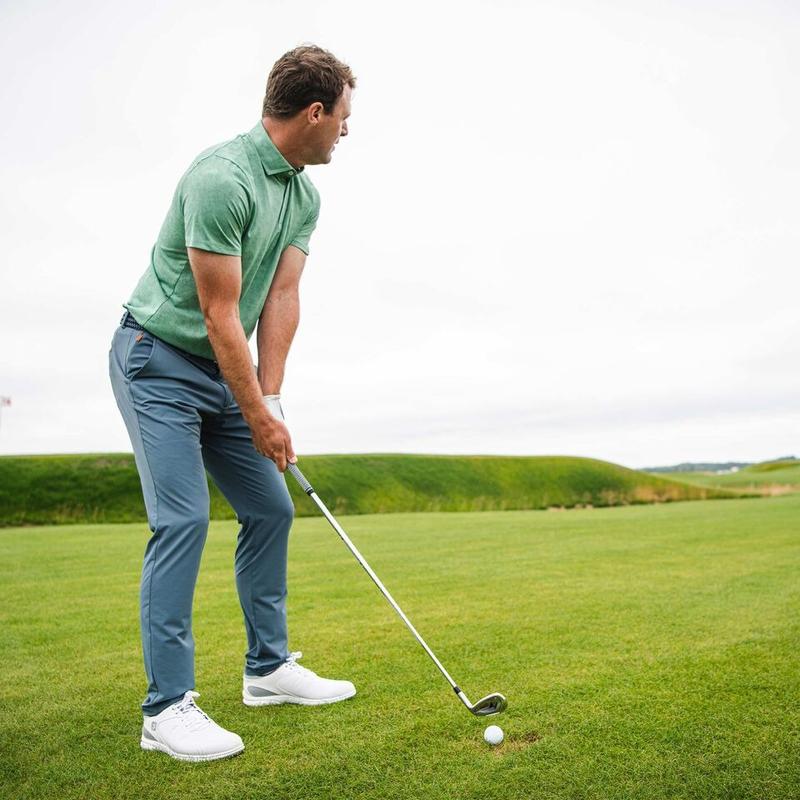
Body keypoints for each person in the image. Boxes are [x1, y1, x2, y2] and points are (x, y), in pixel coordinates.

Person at [108, 44, 356, 762]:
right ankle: (165, 710)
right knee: (182, 520)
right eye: (343, 117)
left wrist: (269, 399)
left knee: (272, 508)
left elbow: (280, 296)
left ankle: (267, 671)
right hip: (157, 360)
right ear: (315, 112)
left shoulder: (305, 196)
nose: (347, 130)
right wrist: (256, 416)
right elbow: (221, 315)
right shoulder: (222, 177)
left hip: (225, 371)